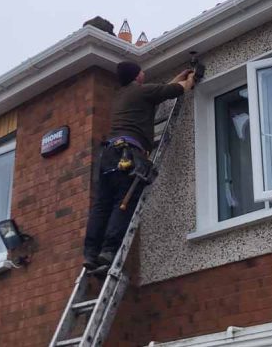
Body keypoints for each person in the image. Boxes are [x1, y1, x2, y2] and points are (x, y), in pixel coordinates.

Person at [83, 61, 195, 271]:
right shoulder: (143, 92)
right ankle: (108, 251)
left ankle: (90, 253)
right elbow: (178, 90)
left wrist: (178, 75)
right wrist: (191, 79)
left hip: (107, 156)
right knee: (123, 203)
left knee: (101, 206)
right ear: (137, 76)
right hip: (128, 156)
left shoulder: (121, 96)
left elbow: (159, 92)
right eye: (141, 70)